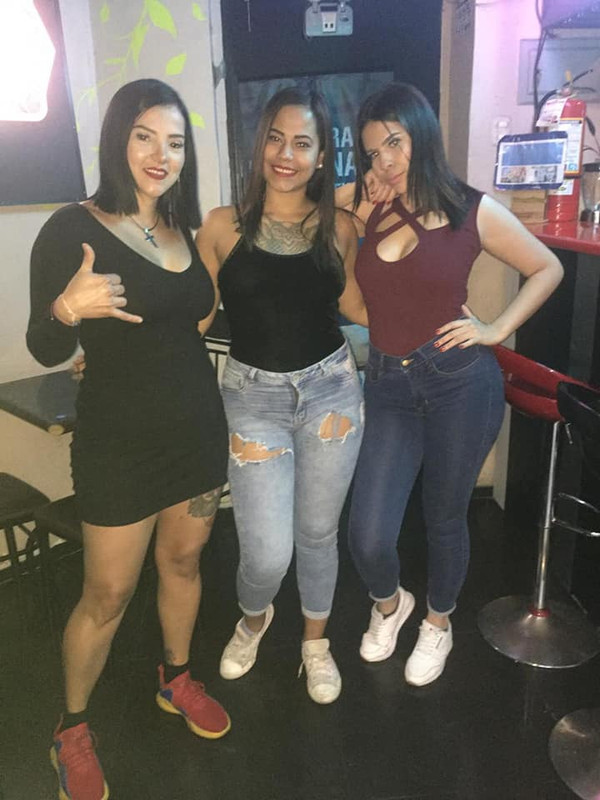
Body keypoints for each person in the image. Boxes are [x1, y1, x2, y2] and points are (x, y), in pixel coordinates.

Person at [27, 79, 231, 800]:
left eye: (174, 143)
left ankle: (175, 676)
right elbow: (44, 345)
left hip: (196, 434)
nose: (160, 154)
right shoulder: (70, 229)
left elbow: (191, 321)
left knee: (184, 562)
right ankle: (72, 727)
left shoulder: (180, 229)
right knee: (107, 594)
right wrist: (66, 308)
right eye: (145, 136)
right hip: (118, 444)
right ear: (118, 138)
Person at [338, 82, 563, 686]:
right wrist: (361, 192)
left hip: (459, 383)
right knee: (368, 532)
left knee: (444, 516)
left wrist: (495, 329)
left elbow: (547, 267)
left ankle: (438, 621)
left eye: (395, 142)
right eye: (373, 151)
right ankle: (391, 605)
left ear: (421, 132)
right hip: (388, 385)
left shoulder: (471, 208)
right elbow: (304, 205)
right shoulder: (367, 201)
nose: (386, 160)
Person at [196, 86, 366, 704]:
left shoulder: (339, 228)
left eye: (301, 143)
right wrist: (121, 352)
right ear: (260, 145)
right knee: (266, 553)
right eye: (275, 139)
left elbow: (354, 304)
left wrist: (434, 324)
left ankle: (315, 643)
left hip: (331, 391)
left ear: (322, 156)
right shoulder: (221, 226)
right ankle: (254, 618)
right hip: (252, 398)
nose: (286, 155)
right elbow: (194, 317)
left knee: (318, 534)